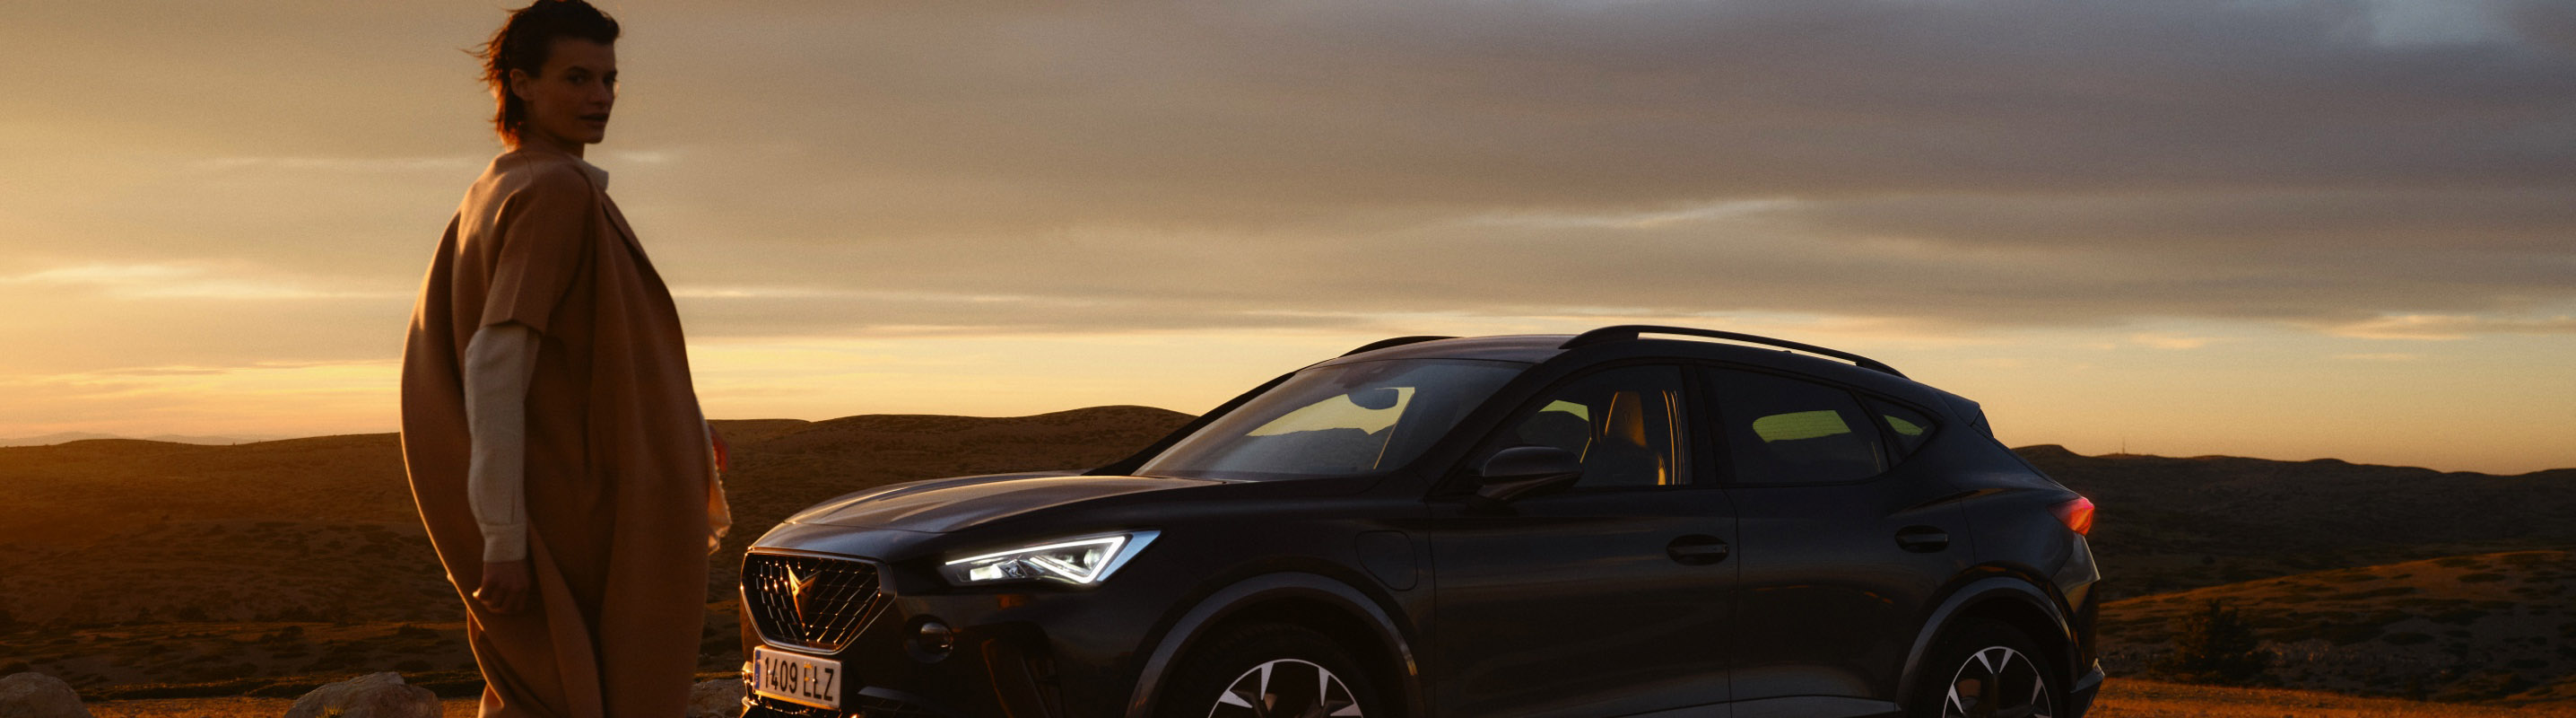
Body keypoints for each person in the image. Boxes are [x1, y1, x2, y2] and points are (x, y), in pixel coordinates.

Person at [399, 2, 731, 715]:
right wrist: (503, 538)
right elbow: (495, 364)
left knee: (541, 689)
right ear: (520, 83)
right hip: (586, 511)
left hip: (560, 498)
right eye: (577, 78)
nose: (601, 97)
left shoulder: (495, 186)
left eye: (609, 79)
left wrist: (686, 429)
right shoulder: (556, 190)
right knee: (606, 692)